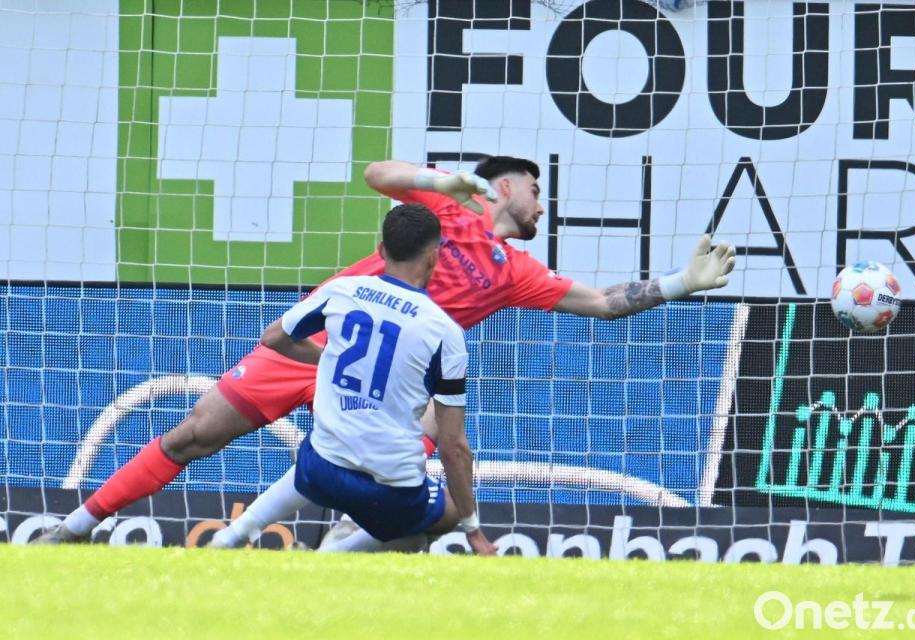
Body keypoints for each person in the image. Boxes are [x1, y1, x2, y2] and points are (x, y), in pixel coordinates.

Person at [37, 155, 735, 544]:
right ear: (506, 186)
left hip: (387, 389)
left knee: (423, 466)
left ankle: (331, 553)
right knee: (195, 433)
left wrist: (681, 283)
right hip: (318, 342)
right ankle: (75, 526)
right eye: (536, 190)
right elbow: (377, 174)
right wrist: (437, 182)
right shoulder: (443, 210)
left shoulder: (516, 272)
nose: (541, 205)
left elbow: (606, 303)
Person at [261, 203, 495, 554]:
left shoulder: (345, 289)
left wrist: (329, 359)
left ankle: (236, 534)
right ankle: (332, 554)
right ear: (434, 257)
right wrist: (473, 531)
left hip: (323, 462)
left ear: (382, 249)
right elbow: (454, 447)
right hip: (391, 485)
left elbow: (273, 338)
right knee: (432, 517)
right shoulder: (444, 330)